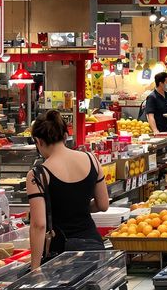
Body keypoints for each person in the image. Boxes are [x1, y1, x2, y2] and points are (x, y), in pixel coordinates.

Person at [26, 111, 109, 268]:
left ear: (38, 141)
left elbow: (39, 225)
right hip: (93, 246)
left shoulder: (38, 175)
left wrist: (35, 268)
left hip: (61, 253)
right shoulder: (92, 160)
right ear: (65, 136)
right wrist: (79, 207)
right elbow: (103, 205)